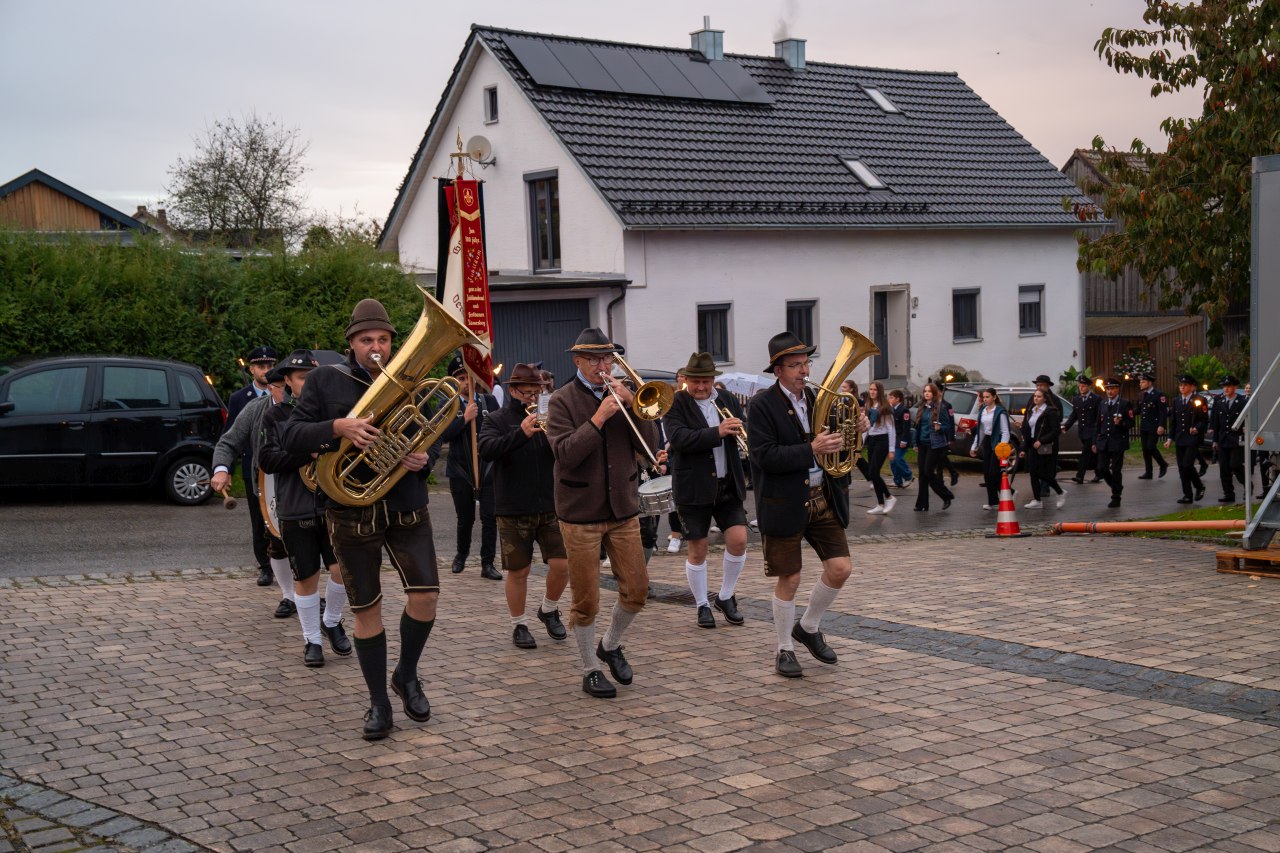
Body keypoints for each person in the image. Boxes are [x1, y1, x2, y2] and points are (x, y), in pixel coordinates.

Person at [277, 298, 441, 741]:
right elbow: (289, 435)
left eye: (384, 340)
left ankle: (405, 675)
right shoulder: (327, 380)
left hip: (406, 503)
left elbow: (431, 433)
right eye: (367, 340)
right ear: (351, 343)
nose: (377, 348)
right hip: (351, 510)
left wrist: (425, 458)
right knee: (367, 609)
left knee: (425, 597)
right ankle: (379, 703)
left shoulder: (411, 377)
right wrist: (337, 428)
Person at [545, 328, 658, 699]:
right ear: (577, 361)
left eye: (608, 358)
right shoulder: (560, 400)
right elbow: (565, 454)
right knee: (586, 599)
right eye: (594, 359)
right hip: (580, 512)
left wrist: (635, 409)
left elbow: (650, 447)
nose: (602, 365)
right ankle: (589, 668)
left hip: (623, 507)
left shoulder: (624, 395)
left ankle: (609, 645)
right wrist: (598, 417)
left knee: (637, 590)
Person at [747, 333, 862, 678]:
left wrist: (854, 432)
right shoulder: (761, 406)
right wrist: (811, 449)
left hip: (822, 496)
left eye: (806, 363)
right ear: (778, 371)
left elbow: (835, 446)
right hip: (783, 500)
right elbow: (763, 456)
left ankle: (808, 626)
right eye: (795, 365)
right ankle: (784, 648)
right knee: (790, 577)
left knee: (841, 568)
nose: (804, 370)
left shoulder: (817, 398)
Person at [257, 350, 352, 667]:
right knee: (306, 578)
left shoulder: (331, 414)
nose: (307, 384)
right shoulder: (277, 415)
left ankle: (332, 620)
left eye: (312, 378)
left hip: (330, 502)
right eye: (301, 379)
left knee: (342, 570)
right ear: (287, 381)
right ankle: (312, 641)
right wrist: (307, 451)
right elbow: (267, 460)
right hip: (295, 506)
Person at [477, 362, 570, 649]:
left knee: (563, 564)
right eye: (527, 392)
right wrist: (522, 433)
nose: (532, 397)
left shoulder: (552, 417)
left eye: (537, 391)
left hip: (551, 504)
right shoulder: (496, 419)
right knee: (519, 571)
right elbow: (487, 449)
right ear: (514, 391)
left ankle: (549, 609)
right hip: (513, 506)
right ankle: (519, 624)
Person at [664, 352, 750, 629]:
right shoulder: (675, 402)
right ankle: (702, 604)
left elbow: (743, 425)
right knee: (698, 549)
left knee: (738, 540)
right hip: (694, 485)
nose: (701, 387)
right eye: (695, 381)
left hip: (727, 482)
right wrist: (718, 432)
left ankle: (725, 596)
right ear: (686, 380)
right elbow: (678, 439)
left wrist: (740, 429)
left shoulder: (726, 399)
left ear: (714, 379)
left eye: (706, 381)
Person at [211, 370, 295, 618]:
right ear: (271, 388)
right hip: (267, 481)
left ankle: (308, 597)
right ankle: (289, 595)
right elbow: (228, 442)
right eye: (283, 388)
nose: (290, 393)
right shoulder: (255, 409)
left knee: (308, 540)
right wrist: (222, 469)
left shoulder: (307, 405)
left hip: (303, 481)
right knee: (275, 539)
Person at [439, 355, 501, 580]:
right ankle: (461, 555)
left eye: (469, 377)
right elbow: (441, 436)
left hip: (487, 469)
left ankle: (488, 563)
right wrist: (464, 418)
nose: (466, 382)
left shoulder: (489, 402)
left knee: (489, 517)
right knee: (465, 518)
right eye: (461, 378)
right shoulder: (447, 404)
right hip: (460, 470)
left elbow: (498, 431)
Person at [226, 346, 278, 587]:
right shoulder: (239, 398)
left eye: (270, 366)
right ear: (252, 369)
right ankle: (265, 566)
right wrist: (225, 468)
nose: (266, 371)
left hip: (278, 463)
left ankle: (285, 560)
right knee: (259, 519)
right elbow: (230, 435)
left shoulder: (282, 392)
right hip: (252, 465)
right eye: (261, 366)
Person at [1019, 387, 1065, 508]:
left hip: (1045, 446)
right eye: (1035, 396)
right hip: (1032, 444)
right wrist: (1023, 448)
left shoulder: (1051, 412)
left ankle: (1060, 492)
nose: (1036, 398)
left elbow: (1056, 431)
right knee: (1033, 473)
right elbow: (1027, 430)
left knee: (1042, 473)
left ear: (1045, 399)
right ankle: (1037, 500)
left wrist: (1042, 441)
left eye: (1039, 396)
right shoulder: (1031, 411)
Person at [1167, 374, 1209, 504]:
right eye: (1180, 385)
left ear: (1191, 387)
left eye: (1185, 385)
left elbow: (1204, 420)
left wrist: (1197, 428)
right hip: (1180, 438)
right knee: (1181, 468)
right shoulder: (1176, 401)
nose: (1182, 387)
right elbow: (1173, 421)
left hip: (1192, 438)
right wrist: (1170, 438)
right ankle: (1187, 495)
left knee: (1187, 465)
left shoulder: (1199, 400)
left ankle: (1199, 486)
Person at [913, 382, 955, 511]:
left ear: (934, 393)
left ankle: (946, 495)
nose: (926, 393)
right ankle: (922, 503)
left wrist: (940, 427)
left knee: (928, 472)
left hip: (935, 444)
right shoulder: (922, 407)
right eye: (925, 391)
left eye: (929, 391)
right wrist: (915, 443)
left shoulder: (940, 407)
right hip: (922, 443)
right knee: (922, 474)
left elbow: (948, 425)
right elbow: (917, 427)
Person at [968, 388, 1012, 511]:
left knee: (994, 473)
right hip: (987, 442)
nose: (985, 399)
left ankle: (1009, 493)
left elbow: (1005, 432)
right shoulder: (983, 411)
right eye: (984, 397)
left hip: (998, 443)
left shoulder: (1000, 412)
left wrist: (1002, 447)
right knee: (987, 473)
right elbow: (980, 431)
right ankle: (993, 501)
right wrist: (974, 447)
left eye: (988, 397)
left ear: (994, 397)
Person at [1093, 378, 1133, 508]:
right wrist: (1095, 442)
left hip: (1117, 441)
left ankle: (1116, 496)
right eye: (1108, 388)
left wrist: (1121, 423)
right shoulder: (1103, 404)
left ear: (1117, 389)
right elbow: (1098, 424)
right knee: (1101, 468)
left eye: (1112, 388)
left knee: (1116, 470)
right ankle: (1116, 486)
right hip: (1104, 441)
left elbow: (1131, 422)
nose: (1110, 391)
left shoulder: (1125, 404)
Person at [1211, 374, 1247, 503]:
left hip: (1236, 439)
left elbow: (1248, 418)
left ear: (1235, 387)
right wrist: (1215, 440)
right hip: (1223, 439)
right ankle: (1228, 493)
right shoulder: (1219, 402)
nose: (1226, 389)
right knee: (1224, 468)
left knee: (1235, 465)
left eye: (1229, 386)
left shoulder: (1242, 402)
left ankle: (1248, 486)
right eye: (1224, 386)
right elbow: (1216, 422)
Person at [862, 380, 896, 514]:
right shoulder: (869, 405)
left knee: (873, 472)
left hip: (882, 440)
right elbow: (866, 427)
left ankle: (889, 497)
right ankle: (880, 504)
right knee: (872, 472)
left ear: (879, 391)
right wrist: (861, 443)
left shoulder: (885, 407)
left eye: (874, 389)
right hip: (872, 440)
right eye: (870, 389)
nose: (872, 392)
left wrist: (892, 449)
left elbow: (891, 428)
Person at [1062, 375, 1102, 484]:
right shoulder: (1077, 399)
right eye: (1080, 386)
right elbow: (1074, 415)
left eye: (1083, 386)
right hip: (1082, 432)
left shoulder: (1096, 399)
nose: (1081, 388)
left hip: (1092, 431)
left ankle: (1080, 476)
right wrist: (1066, 426)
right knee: (1093, 454)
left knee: (1085, 454)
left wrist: (1099, 431)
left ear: (1089, 387)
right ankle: (1099, 473)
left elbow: (1099, 417)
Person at [1136, 372, 1170, 479]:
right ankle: (1148, 472)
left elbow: (1162, 412)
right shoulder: (1141, 394)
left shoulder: (1159, 394)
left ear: (1150, 383)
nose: (1140, 384)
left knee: (1151, 447)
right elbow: (1138, 410)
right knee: (1145, 450)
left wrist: (1162, 425)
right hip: (1144, 426)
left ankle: (1163, 464)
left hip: (1154, 426)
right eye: (1140, 382)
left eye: (1143, 382)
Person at [888, 389, 914, 489]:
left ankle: (908, 476)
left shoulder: (904, 410)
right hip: (893, 439)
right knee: (892, 460)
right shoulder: (892, 409)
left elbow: (906, 427)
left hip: (901, 439)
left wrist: (904, 440)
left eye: (891, 398)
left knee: (897, 459)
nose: (889, 399)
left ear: (898, 399)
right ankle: (897, 480)